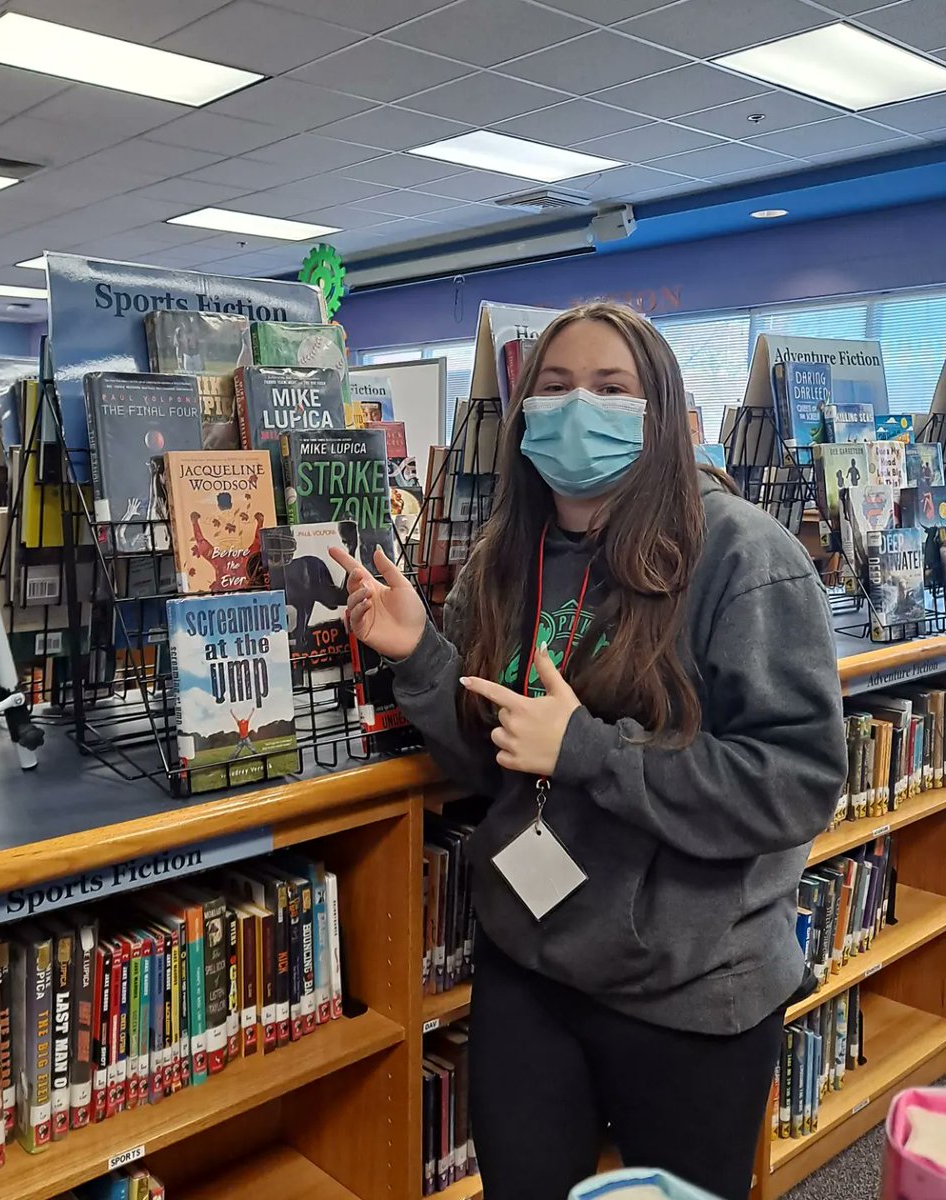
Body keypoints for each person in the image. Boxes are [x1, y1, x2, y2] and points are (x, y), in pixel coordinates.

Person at [331, 302, 847, 1200]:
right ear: (523, 409)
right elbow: (499, 757)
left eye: (612, 389)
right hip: (530, 970)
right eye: (557, 387)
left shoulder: (743, 556)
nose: (579, 408)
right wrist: (422, 656)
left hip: (689, 990)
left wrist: (592, 753)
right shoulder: (508, 554)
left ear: (660, 413)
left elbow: (794, 784)